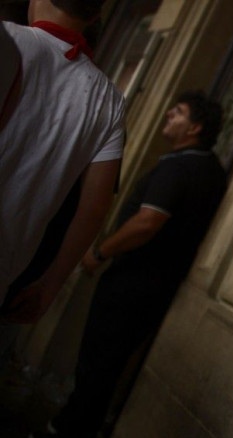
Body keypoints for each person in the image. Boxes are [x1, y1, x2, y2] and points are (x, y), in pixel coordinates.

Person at [28, 90, 227, 438]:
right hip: (155, 286)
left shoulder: (178, 167)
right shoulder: (211, 169)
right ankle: (70, 428)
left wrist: (100, 252)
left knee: (98, 362)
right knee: (106, 363)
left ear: (196, 127)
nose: (169, 114)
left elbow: (148, 221)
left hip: (132, 283)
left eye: (180, 112)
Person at [0, 0, 125, 360]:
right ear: (96, 15)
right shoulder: (110, 100)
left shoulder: (9, 40)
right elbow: (95, 206)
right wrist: (50, 284)